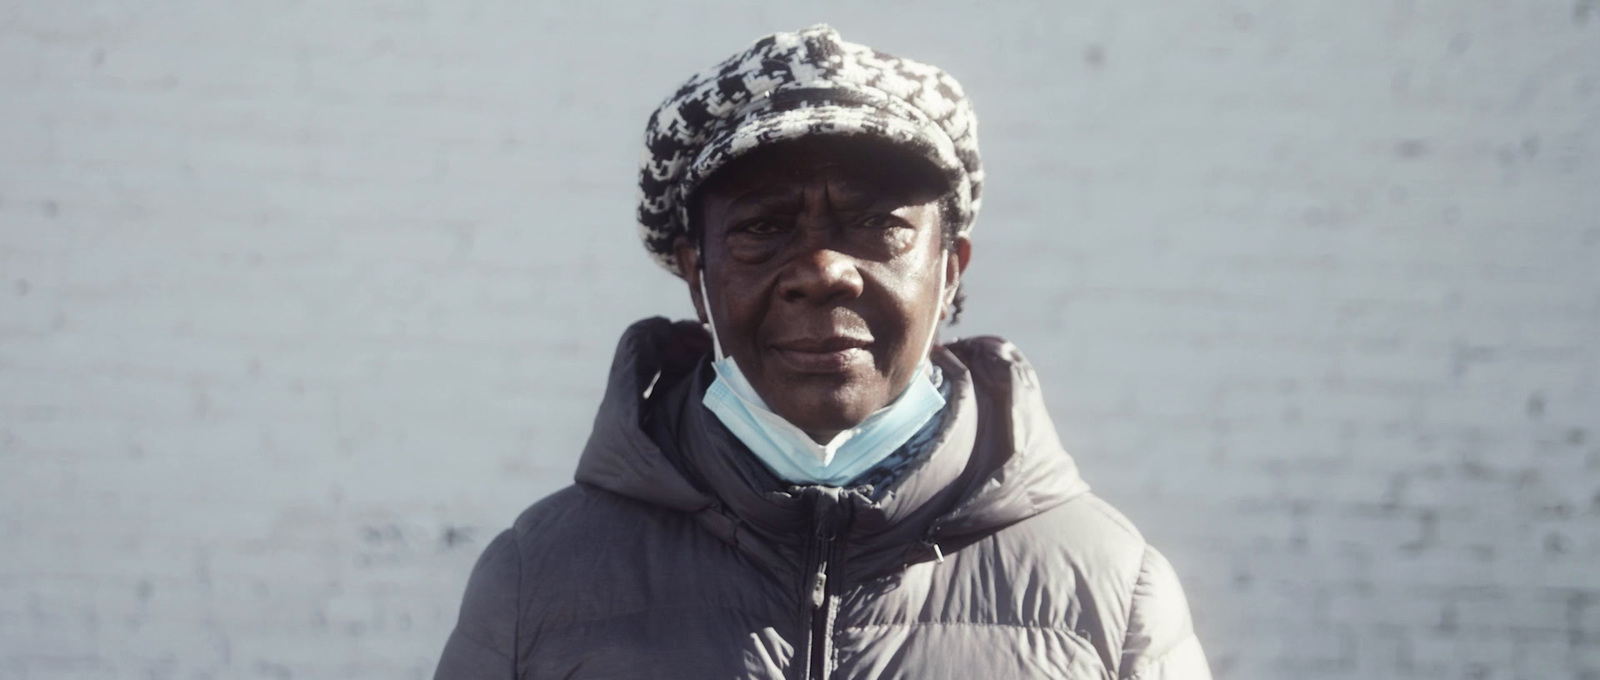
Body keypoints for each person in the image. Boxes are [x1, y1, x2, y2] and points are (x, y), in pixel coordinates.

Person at [434, 25, 1210, 680]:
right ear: (696, 277)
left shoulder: (1108, 589)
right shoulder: (541, 578)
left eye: (877, 225)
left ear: (949, 272)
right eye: (763, 228)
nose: (822, 271)